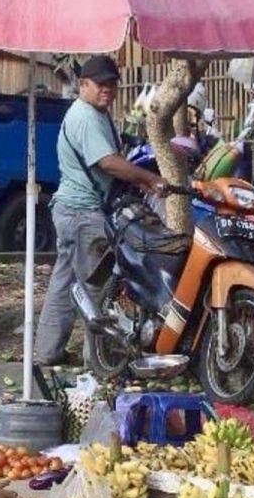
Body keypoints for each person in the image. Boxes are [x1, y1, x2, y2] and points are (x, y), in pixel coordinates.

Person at [34, 55, 165, 366]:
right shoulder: (87, 117)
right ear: (83, 85)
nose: (107, 89)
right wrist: (149, 179)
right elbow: (107, 162)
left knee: (65, 284)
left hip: (70, 210)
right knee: (97, 288)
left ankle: (47, 351)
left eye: (112, 84)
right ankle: (97, 361)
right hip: (83, 214)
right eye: (100, 84)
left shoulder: (96, 113)